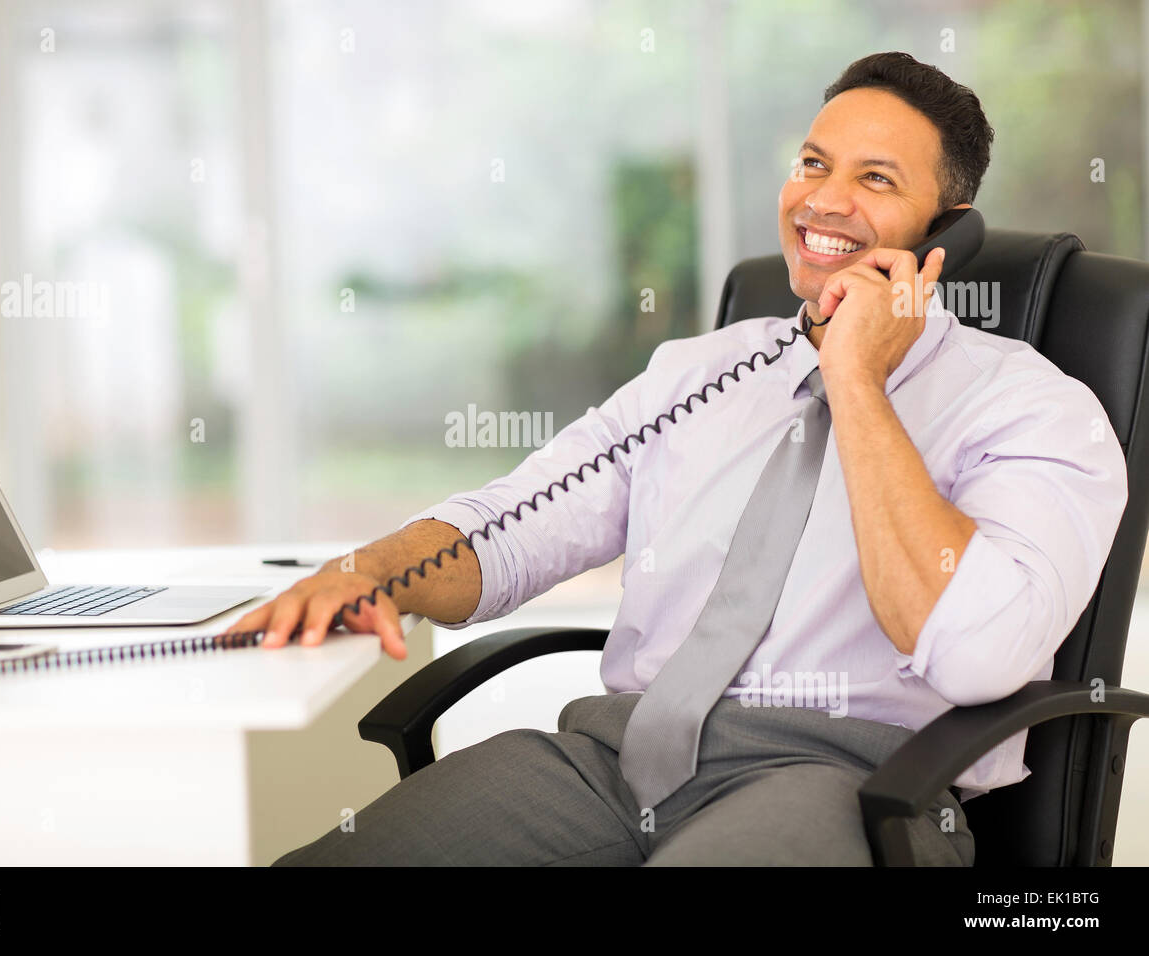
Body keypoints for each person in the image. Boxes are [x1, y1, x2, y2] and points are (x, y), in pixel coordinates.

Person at [233, 51, 1128, 866]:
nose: (823, 200)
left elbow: (975, 655)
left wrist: (856, 379)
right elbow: (510, 532)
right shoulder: (696, 375)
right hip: (610, 763)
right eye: (813, 164)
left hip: (851, 788)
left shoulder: (1037, 412)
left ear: (947, 231)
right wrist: (373, 570)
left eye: (875, 179)